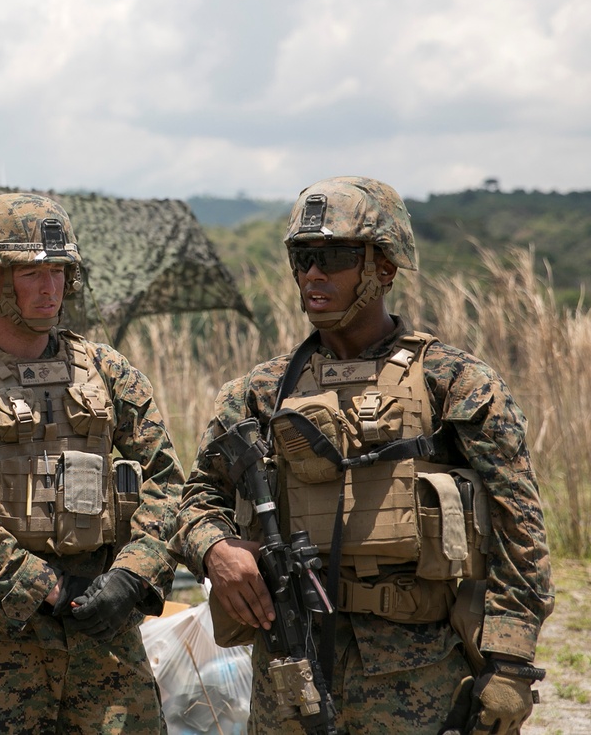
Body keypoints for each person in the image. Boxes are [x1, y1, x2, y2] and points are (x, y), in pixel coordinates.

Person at [170, 176, 555, 735]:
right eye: (302, 258)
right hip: (293, 670)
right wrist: (217, 550)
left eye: (333, 257)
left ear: (384, 269)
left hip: (420, 675)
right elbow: (196, 500)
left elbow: (520, 529)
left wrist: (512, 663)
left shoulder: (455, 382)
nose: (313, 274)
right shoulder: (260, 391)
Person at [0, 192, 185, 733]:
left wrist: (132, 577)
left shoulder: (107, 371)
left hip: (106, 630)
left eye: (60, 270)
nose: (51, 287)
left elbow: (166, 481)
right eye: (33, 271)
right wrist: (45, 588)